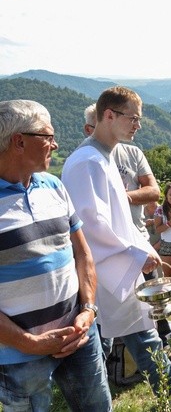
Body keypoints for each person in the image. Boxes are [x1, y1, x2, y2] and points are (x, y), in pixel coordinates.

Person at [63, 87, 171, 411]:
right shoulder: (87, 162)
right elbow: (90, 226)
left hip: (119, 266)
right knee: (104, 349)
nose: (138, 125)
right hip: (105, 272)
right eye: (133, 118)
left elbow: (117, 219)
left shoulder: (104, 158)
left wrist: (140, 250)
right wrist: (137, 254)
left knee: (137, 339)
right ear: (109, 115)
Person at [0, 100, 111, 411]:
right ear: (19, 141)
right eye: (47, 136)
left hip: (79, 337)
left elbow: (82, 255)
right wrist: (29, 343)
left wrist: (88, 311)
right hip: (19, 355)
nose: (55, 144)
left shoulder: (53, 185)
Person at [85, 103, 171, 360]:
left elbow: (154, 192)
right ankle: (110, 357)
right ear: (89, 129)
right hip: (108, 247)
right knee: (111, 305)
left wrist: (119, 197)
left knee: (154, 294)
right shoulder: (89, 160)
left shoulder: (132, 152)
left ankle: (164, 343)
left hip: (140, 238)